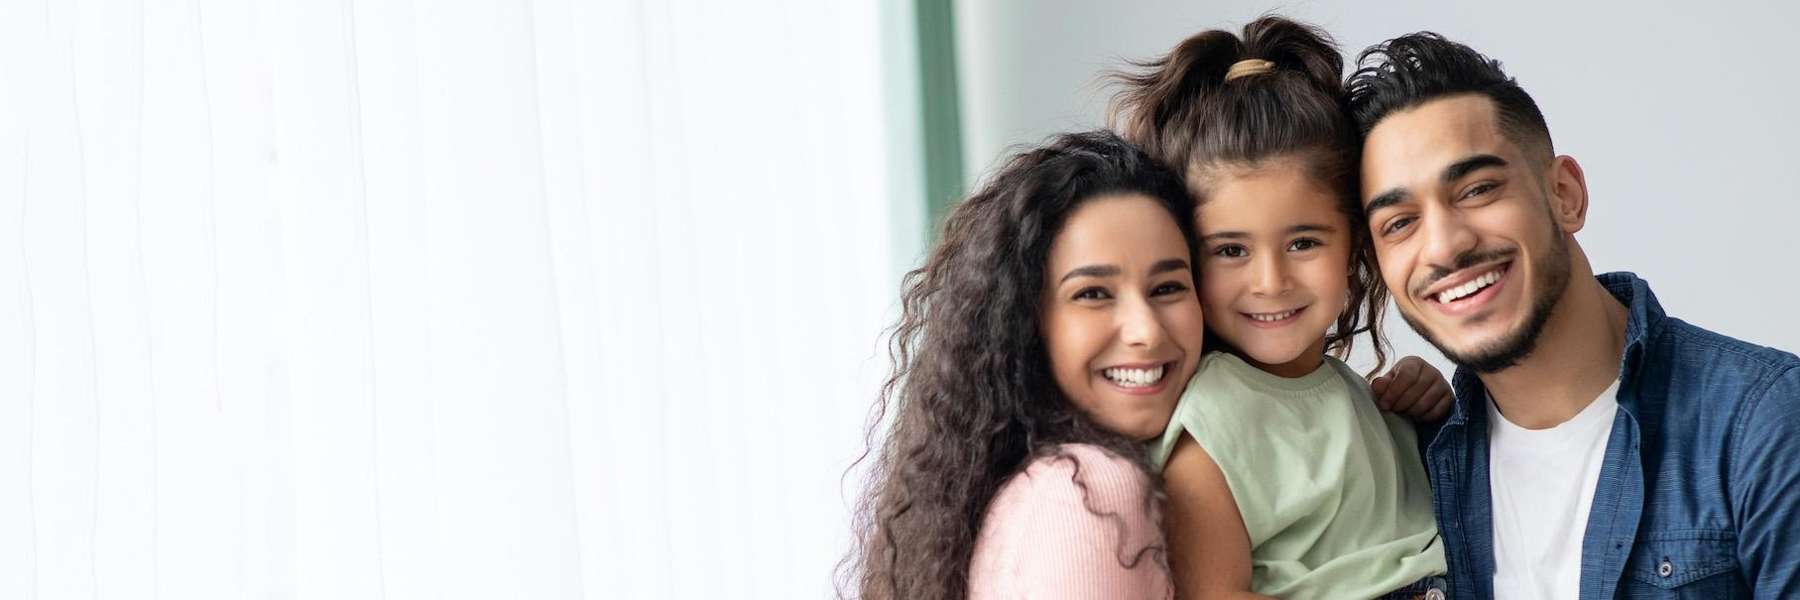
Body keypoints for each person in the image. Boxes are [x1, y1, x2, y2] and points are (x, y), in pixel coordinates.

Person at [1347, 31, 1800, 599]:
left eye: (1478, 189)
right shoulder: (1404, 468)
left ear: (1565, 195)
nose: (1444, 246)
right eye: (1399, 223)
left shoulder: (1764, 420)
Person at [1110, 16, 1449, 600]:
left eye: (1303, 243)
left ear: (1355, 246)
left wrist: (1421, 412)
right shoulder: (1213, 424)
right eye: (1231, 250)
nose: (1270, 281)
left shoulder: (1348, 392)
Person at [841, 130, 1202, 599]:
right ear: (1027, 321)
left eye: (1168, 287)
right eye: (1092, 294)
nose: (1146, 330)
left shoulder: (1034, 488)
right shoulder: (1089, 491)